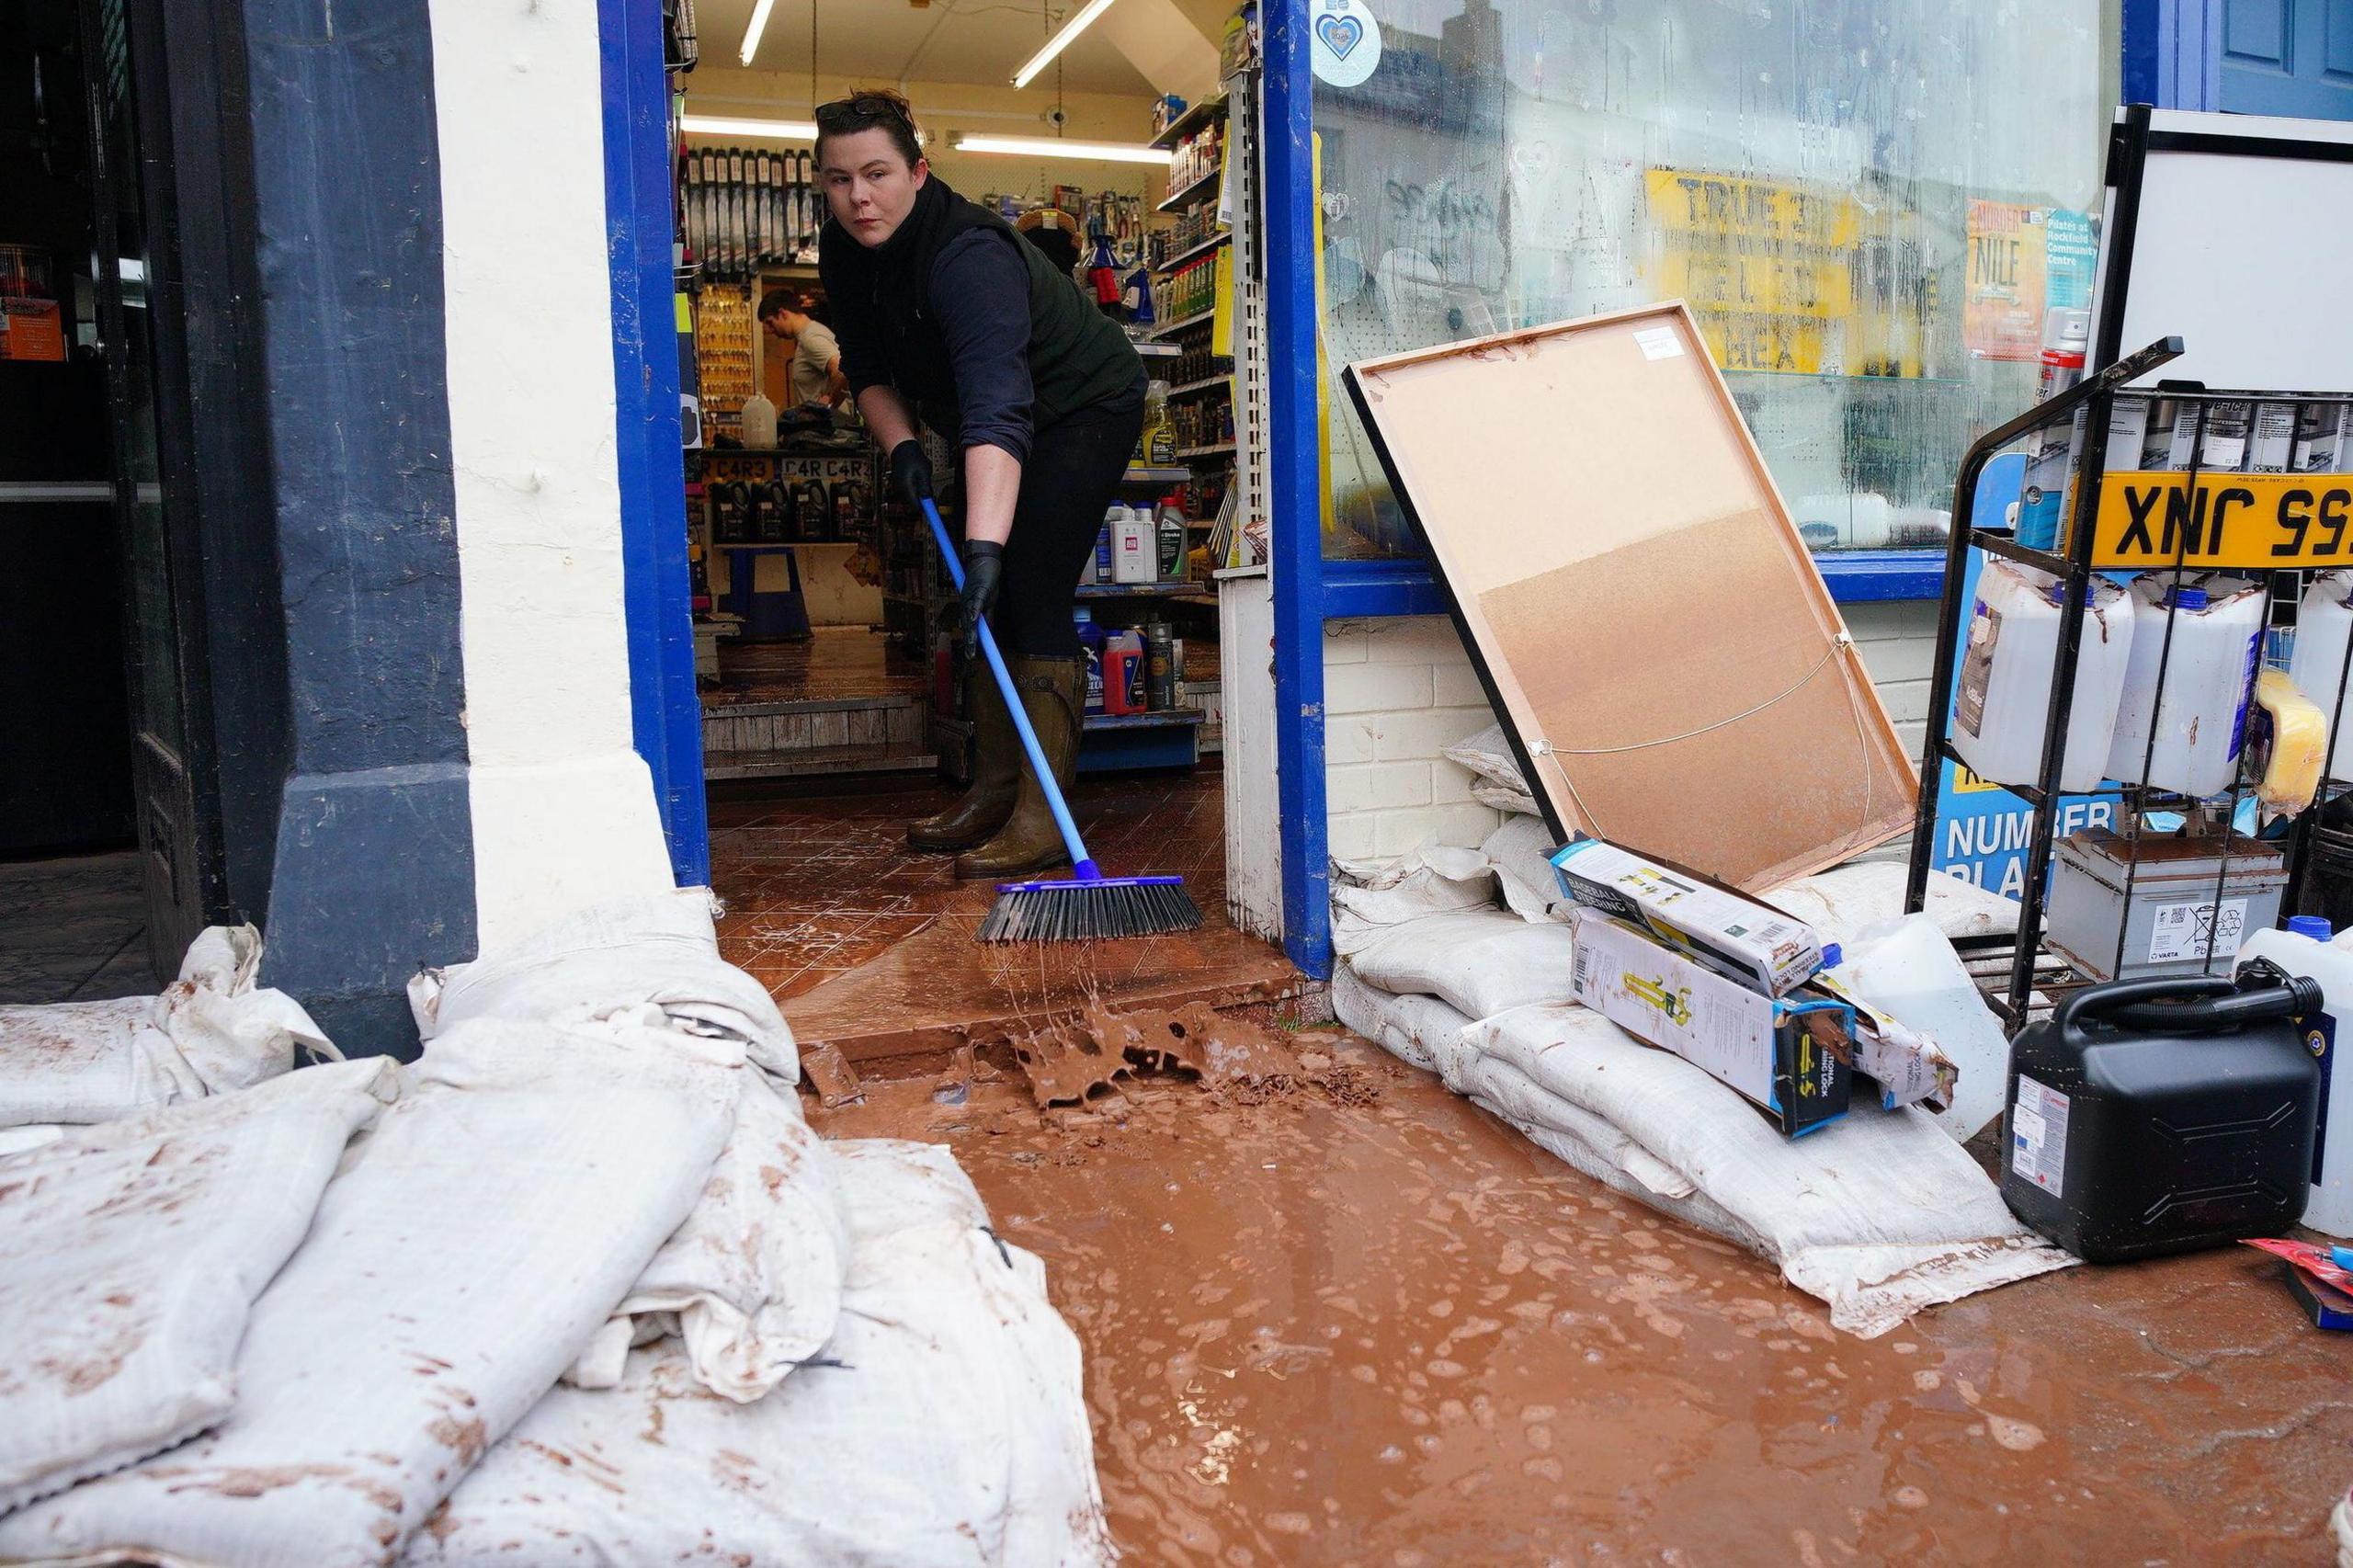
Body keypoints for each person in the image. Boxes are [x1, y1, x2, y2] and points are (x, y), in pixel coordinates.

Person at [815, 88, 1145, 880]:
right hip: (982, 419)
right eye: (838, 179)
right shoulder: (844, 248)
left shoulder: (970, 258)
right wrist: (900, 446)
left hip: (1082, 406)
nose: (859, 196)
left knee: (1026, 583)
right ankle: (993, 789)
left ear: (918, 172)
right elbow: (864, 367)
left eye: (877, 173)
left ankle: (1041, 813)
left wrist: (989, 541)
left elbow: (1001, 403)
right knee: (977, 594)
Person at [756, 290, 847, 409]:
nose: (771, 330)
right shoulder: (812, 333)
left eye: (771, 322)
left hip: (826, 426)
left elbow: (842, 370)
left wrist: (829, 405)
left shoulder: (810, 338)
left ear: (783, 313)